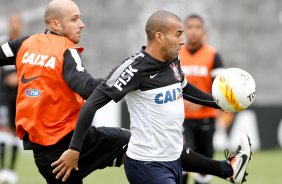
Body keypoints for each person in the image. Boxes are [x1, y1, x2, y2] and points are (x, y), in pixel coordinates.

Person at [53, 10, 252, 184]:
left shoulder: (172, 61)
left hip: (173, 157)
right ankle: (229, 169)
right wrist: (74, 149)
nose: (182, 40)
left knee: (176, 148)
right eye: (178, 34)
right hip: (146, 165)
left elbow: (185, 88)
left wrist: (220, 103)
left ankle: (229, 169)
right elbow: (92, 104)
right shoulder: (133, 69)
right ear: (159, 37)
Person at [0, 0, 131, 183]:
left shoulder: (26, 43)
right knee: (140, 144)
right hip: (66, 146)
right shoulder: (65, 50)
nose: (81, 24)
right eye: (74, 19)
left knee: (133, 148)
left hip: (44, 154)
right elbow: (88, 89)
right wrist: (127, 76)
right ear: (55, 25)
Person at [179, 14, 225, 184]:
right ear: (184, 31)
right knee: (181, 161)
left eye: (197, 27)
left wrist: (200, 102)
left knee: (204, 167)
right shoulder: (176, 54)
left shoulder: (213, 55)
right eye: (190, 27)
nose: (193, 31)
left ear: (204, 31)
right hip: (181, 119)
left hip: (206, 117)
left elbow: (221, 88)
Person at [0, 12, 23, 184]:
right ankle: (2, 170)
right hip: (3, 94)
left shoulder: (24, 45)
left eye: (17, 22)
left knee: (16, 133)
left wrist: (18, 78)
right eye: (12, 22)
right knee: (3, 131)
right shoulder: (3, 43)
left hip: (19, 96)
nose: (15, 25)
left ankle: (11, 171)